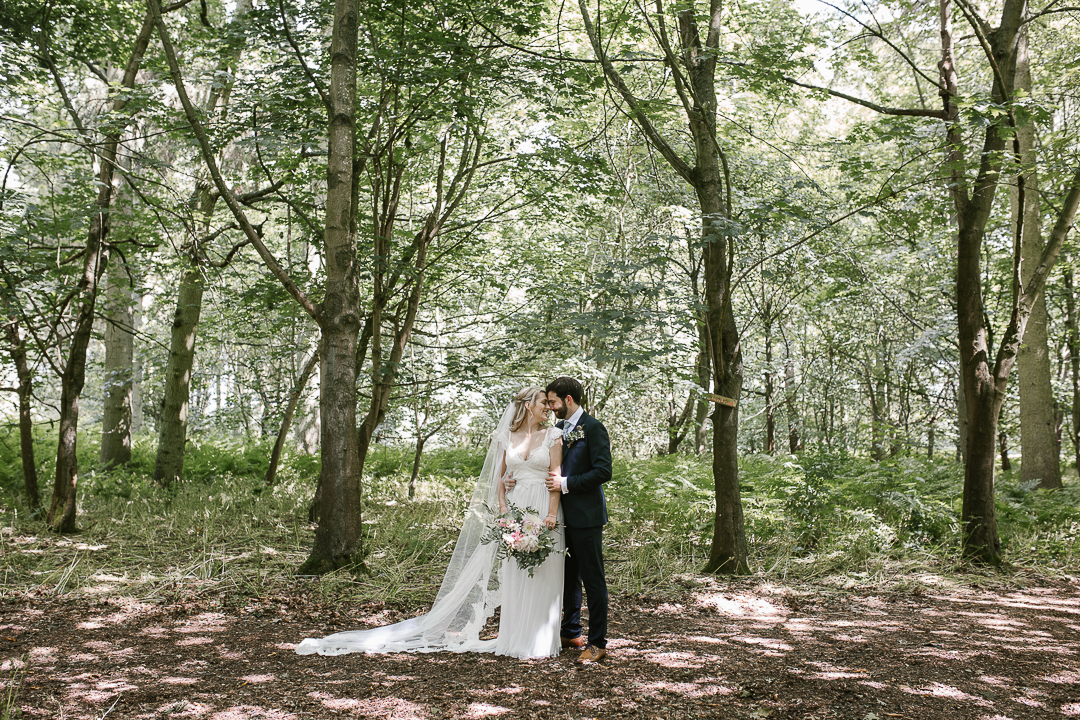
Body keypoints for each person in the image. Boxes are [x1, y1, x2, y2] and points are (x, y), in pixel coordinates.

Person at [295, 387, 566, 660]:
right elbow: (501, 476)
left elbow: (555, 477)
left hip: (544, 508)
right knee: (515, 574)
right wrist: (505, 509)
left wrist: (551, 515)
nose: (549, 407)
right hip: (516, 508)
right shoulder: (507, 437)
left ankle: (541, 642)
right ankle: (515, 640)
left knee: (544, 571)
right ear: (529, 405)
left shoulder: (554, 435)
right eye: (544, 402)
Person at [545, 376, 612, 664]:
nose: (550, 408)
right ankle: (571, 631)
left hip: (586, 516)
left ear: (568, 400)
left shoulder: (594, 428)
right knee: (568, 577)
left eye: (553, 402)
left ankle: (597, 643)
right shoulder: (557, 429)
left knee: (593, 580)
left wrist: (566, 483)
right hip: (561, 517)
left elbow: (603, 472)